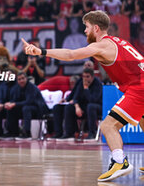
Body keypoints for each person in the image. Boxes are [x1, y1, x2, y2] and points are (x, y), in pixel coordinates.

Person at [22, 10, 144, 182]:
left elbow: (71, 55)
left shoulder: (101, 45)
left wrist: (41, 51)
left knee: (108, 126)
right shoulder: (120, 41)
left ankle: (119, 161)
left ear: (96, 28)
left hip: (139, 88)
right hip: (140, 83)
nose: (85, 31)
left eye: (86, 27)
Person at [57, 68, 102, 140]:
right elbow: (76, 97)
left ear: (92, 77)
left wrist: (86, 89)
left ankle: (92, 133)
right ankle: (69, 133)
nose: (85, 79)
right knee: (69, 107)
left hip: (97, 106)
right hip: (84, 106)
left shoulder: (98, 84)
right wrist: (77, 107)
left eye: (87, 77)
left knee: (90, 106)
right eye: (84, 76)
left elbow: (93, 100)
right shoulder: (81, 82)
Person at [4, 72, 48, 139]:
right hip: (24, 109)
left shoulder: (32, 87)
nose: (21, 81)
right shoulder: (15, 88)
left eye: (23, 78)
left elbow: (29, 101)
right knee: (11, 109)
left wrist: (14, 104)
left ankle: (27, 133)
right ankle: (13, 132)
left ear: (26, 79)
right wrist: (9, 103)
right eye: (19, 79)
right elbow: (14, 100)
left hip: (38, 109)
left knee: (26, 108)